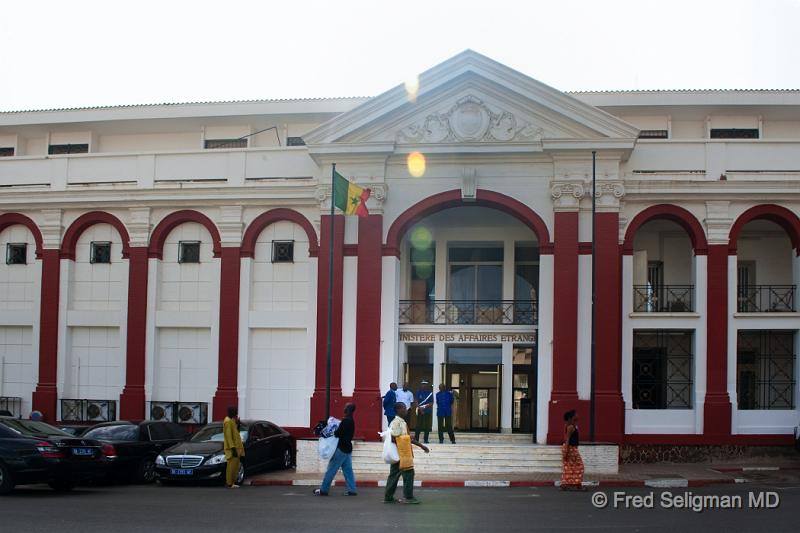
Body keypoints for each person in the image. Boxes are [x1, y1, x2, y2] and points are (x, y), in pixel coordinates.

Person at [384, 402, 429, 504]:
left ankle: (388, 497)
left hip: (402, 452)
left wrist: (421, 446)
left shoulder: (402, 422)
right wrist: (409, 438)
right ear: (398, 410)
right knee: (409, 474)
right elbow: (394, 438)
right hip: (402, 453)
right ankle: (408, 497)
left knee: (394, 475)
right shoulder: (396, 422)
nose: (406, 410)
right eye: (403, 408)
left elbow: (406, 438)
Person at [314, 403, 357, 496]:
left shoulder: (346, 421)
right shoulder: (351, 421)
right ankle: (352, 490)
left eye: (346, 407)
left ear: (348, 410)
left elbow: (338, 433)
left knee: (331, 470)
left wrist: (333, 427)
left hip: (341, 449)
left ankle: (323, 490)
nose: (344, 408)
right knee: (348, 470)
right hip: (348, 449)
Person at [560, 409, 585, 491]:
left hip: (571, 448)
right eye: (576, 414)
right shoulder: (570, 427)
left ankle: (567, 484)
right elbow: (567, 439)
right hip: (571, 448)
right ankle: (577, 485)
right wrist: (566, 451)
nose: (577, 415)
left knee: (569, 467)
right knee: (580, 466)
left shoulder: (570, 425)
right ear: (571, 417)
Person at [223, 406, 245, 489]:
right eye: (235, 411)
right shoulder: (227, 421)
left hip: (237, 447)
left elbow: (236, 432)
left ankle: (232, 482)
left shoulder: (232, 420)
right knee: (231, 467)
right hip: (232, 448)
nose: (236, 413)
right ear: (230, 412)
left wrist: (238, 424)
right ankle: (229, 483)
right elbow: (229, 437)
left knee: (235, 466)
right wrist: (233, 449)